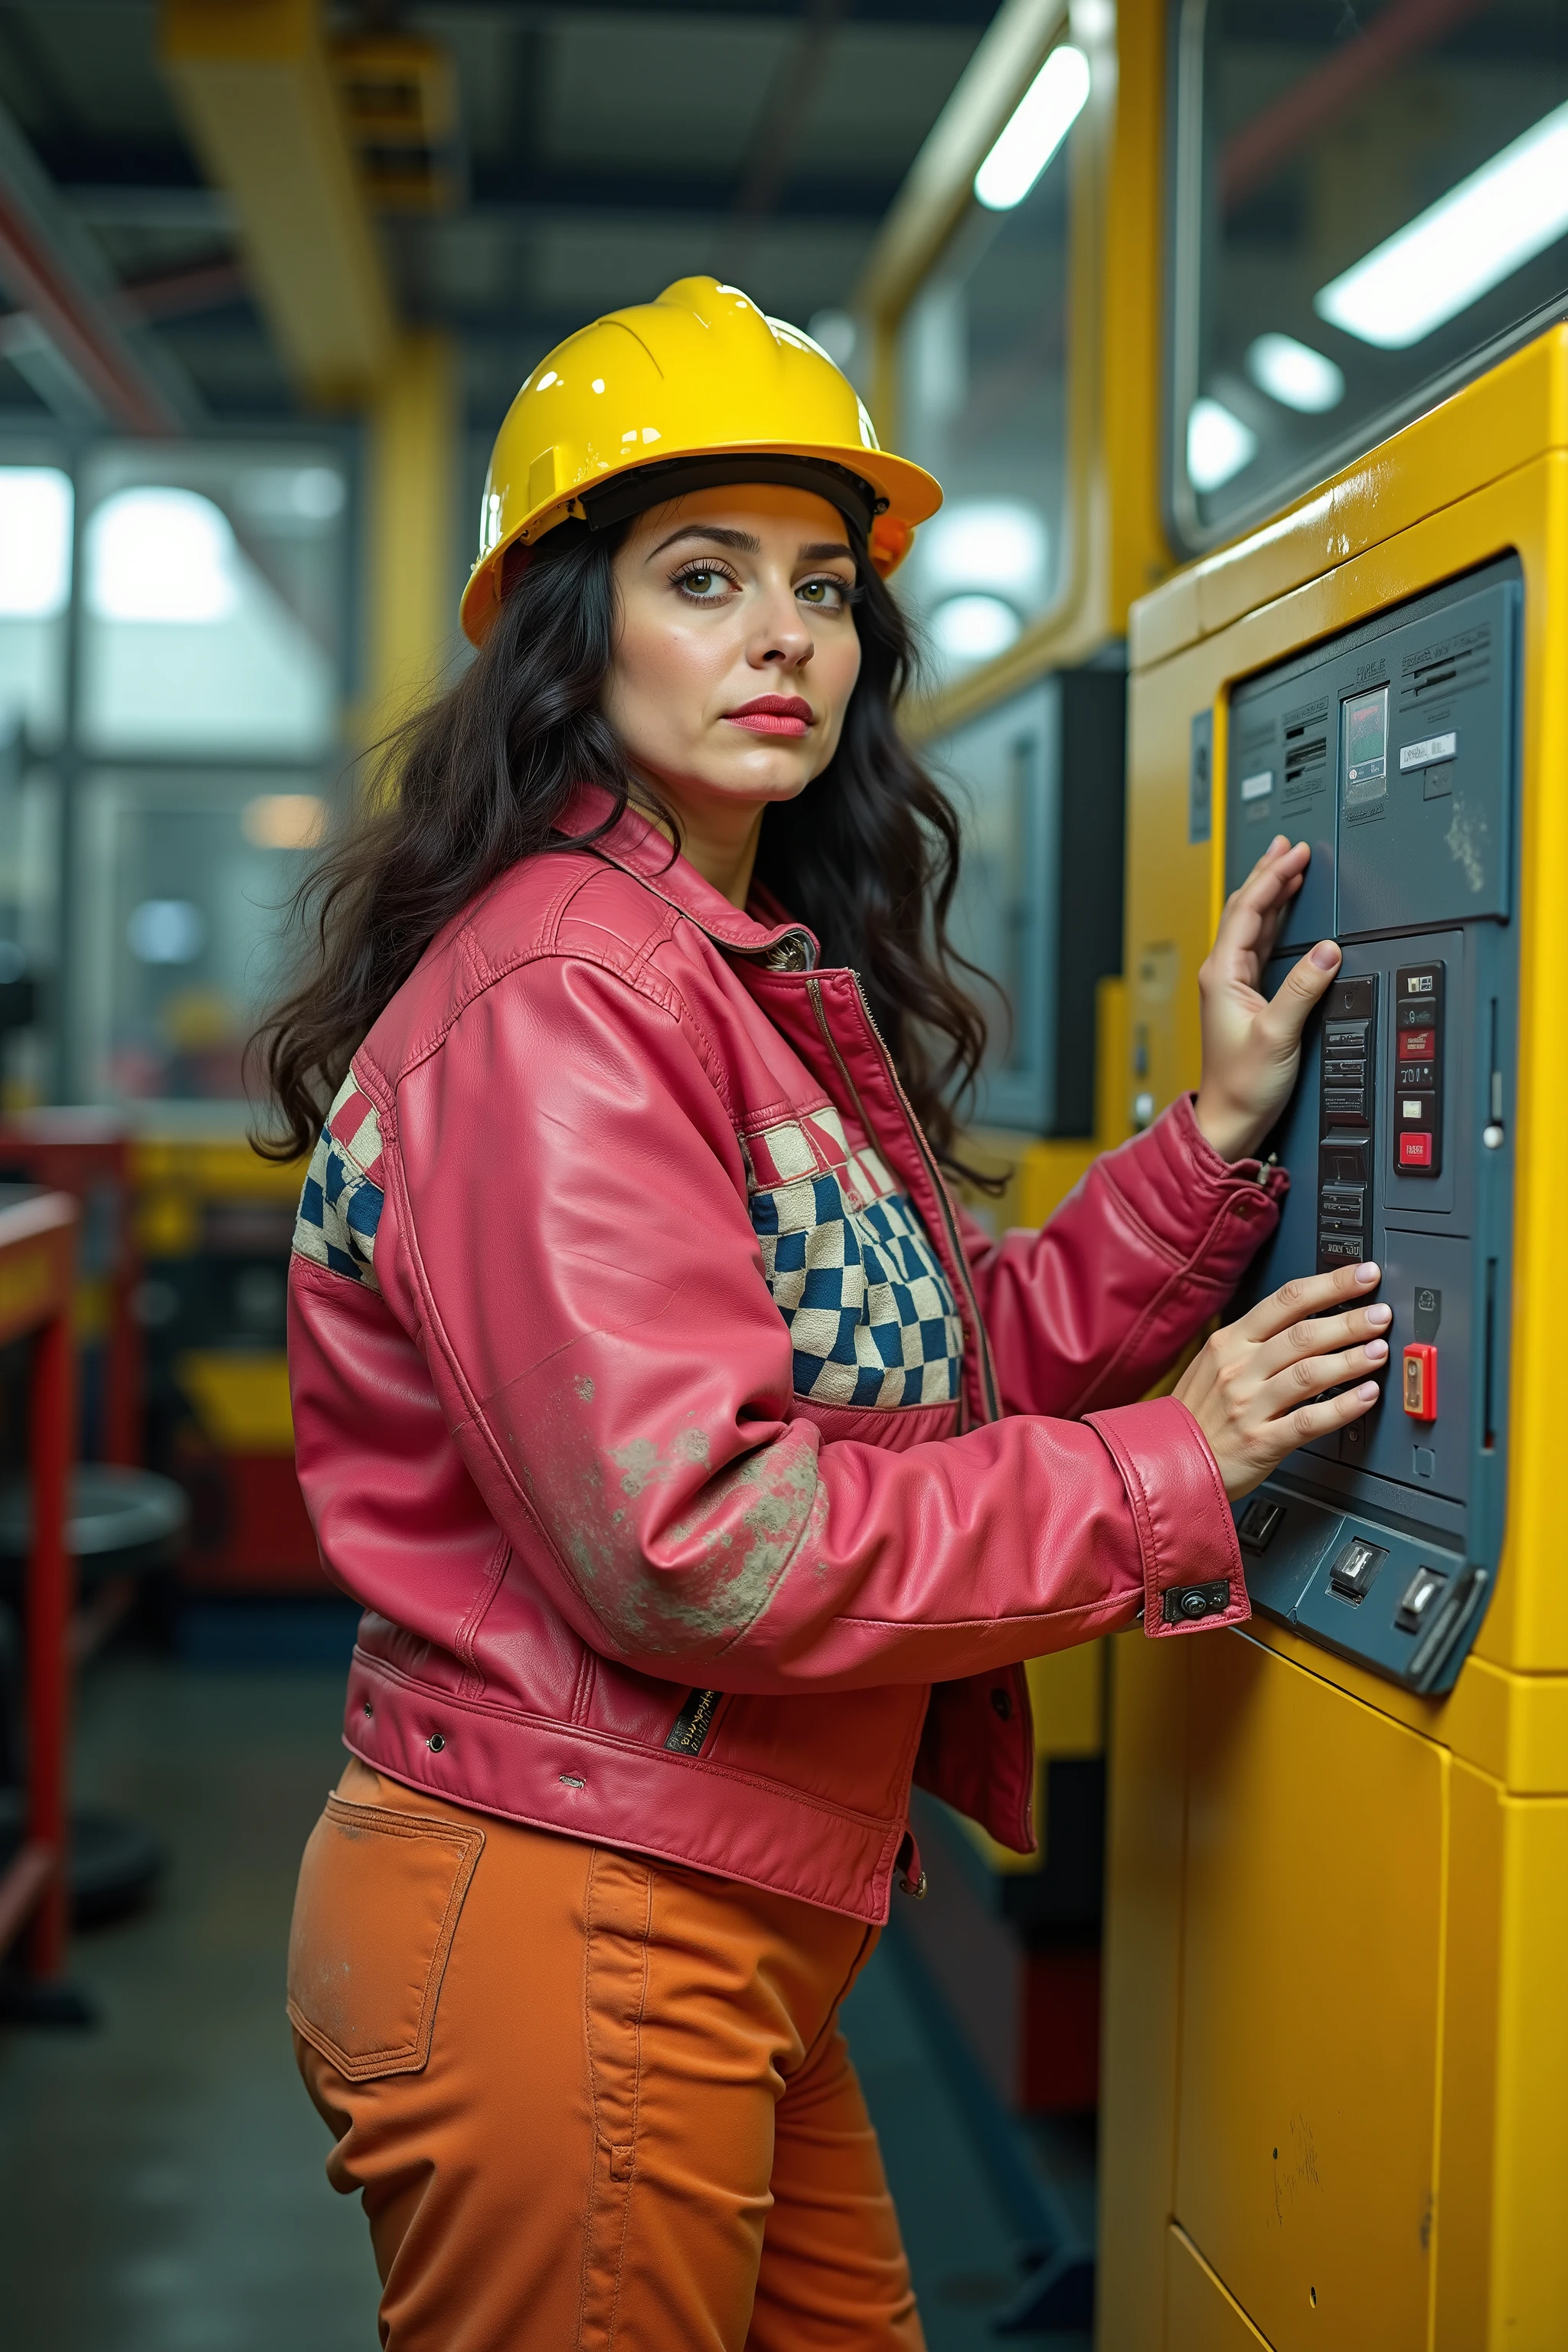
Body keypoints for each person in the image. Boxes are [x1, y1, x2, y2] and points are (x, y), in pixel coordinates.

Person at [263, 278, 1390, 2352]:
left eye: (825, 587)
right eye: (705, 578)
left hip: (718, 1904)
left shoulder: (729, 979)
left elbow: (956, 1366)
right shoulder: (566, 1006)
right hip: (569, 1918)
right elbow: (704, 1545)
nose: (788, 634)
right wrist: (1180, 1467)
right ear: (575, 639)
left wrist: (1220, 1134)